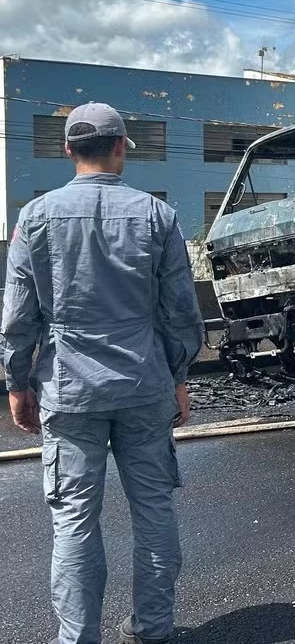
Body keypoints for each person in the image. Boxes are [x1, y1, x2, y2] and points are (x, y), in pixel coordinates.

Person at [1, 102, 204, 644]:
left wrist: (17, 384)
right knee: (155, 514)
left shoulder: (36, 218)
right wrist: (179, 376)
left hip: (68, 390)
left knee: (73, 523)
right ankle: (153, 631)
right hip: (144, 386)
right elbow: (180, 312)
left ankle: (77, 638)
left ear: (68, 150)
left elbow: (19, 316)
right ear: (120, 149)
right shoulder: (157, 217)